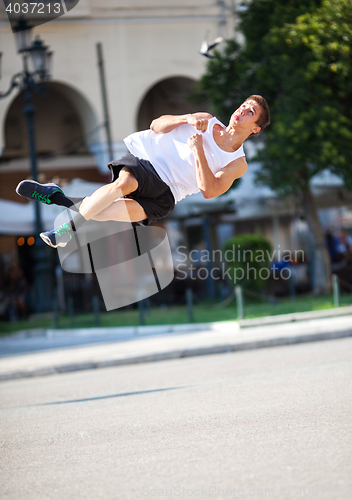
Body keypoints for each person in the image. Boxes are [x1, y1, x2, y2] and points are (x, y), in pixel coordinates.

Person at [16, 95, 270, 248]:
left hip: (169, 194)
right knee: (121, 186)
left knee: (104, 213)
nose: (242, 110)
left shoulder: (237, 163)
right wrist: (187, 118)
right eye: (243, 105)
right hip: (149, 164)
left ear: (255, 129)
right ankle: (66, 232)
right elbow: (156, 125)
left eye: (251, 112)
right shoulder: (205, 119)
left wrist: (199, 151)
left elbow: (209, 191)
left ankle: (59, 198)